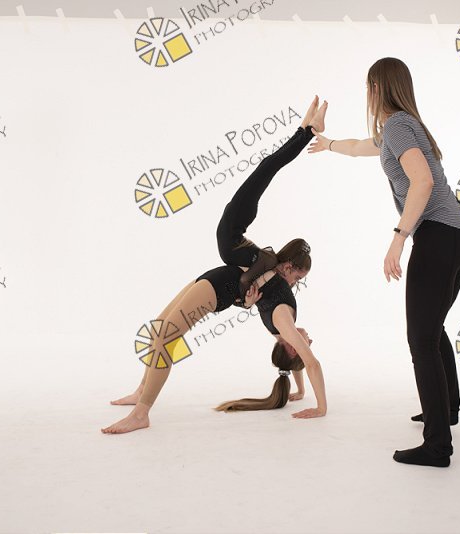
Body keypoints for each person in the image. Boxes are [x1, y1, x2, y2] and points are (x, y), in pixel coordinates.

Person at [102, 97, 329, 434]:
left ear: (289, 346)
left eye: (302, 343)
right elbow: (298, 360)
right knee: (160, 330)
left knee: (164, 339)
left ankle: (141, 413)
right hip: (223, 271)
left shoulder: (285, 320)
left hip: (221, 283)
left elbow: (309, 362)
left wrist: (321, 407)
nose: (309, 340)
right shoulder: (283, 325)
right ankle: (141, 391)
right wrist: (297, 389)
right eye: (297, 275)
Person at [308, 58, 460, 467]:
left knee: (421, 338)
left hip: (440, 235)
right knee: (431, 329)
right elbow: (359, 147)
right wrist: (327, 143)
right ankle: (448, 410)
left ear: (375, 87)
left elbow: (424, 182)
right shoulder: (397, 128)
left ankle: (437, 445)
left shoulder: (400, 125)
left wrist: (399, 238)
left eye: (368, 86)